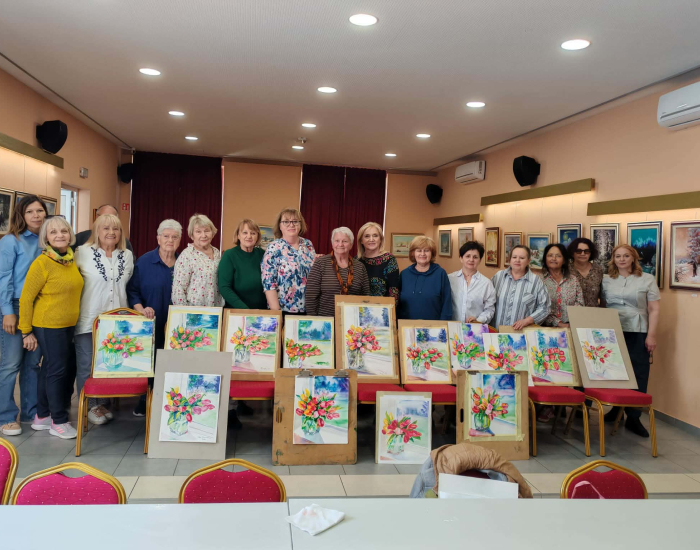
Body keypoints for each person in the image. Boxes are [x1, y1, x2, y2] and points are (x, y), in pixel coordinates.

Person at [19, 217, 83, 439]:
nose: (59, 235)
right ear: (45, 237)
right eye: (53, 232)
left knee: (49, 368)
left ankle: (42, 416)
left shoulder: (70, 259)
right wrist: (26, 331)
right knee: (57, 371)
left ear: (70, 234)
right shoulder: (42, 262)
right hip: (48, 324)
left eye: (63, 231)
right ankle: (59, 421)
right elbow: (26, 299)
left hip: (67, 324)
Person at [75, 214, 134, 425]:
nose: (111, 232)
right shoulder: (82, 252)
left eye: (115, 229)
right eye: (106, 228)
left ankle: (101, 404)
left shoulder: (127, 255)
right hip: (89, 318)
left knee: (108, 364)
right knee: (87, 364)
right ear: (97, 231)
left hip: (117, 322)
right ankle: (88, 406)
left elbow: (127, 286)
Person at [601, 244, 660, 438]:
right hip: (612, 330)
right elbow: (603, 305)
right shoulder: (606, 279)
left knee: (638, 373)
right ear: (613, 259)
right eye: (618, 256)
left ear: (633, 258)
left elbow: (654, 309)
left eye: (626, 256)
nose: (622, 259)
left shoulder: (647, 279)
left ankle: (634, 416)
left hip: (638, 330)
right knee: (615, 372)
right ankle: (616, 409)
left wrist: (651, 335)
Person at [0, 195, 47, 436]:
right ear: (21, 215)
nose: (36, 215)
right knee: (10, 364)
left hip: (42, 307)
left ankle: (31, 412)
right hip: (16, 307)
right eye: (30, 211)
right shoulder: (12, 240)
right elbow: (4, 278)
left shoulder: (48, 240)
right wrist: (7, 312)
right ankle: (6, 416)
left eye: (40, 210)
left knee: (33, 364)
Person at [127, 219, 182, 417]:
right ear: (158, 238)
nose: (170, 240)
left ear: (180, 240)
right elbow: (133, 291)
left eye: (175, 237)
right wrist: (141, 310)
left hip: (177, 325)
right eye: (166, 236)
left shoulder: (184, 262)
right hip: (151, 323)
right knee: (150, 361)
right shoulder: (144, 262)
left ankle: (173, 401)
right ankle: (145, 398)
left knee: (174, 363)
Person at [261, 208, 316, 314]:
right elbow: (268, 283)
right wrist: (276, 313)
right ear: (280, 226)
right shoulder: (273, 247)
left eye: (295, 221)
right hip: (284, 310)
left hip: (309, 309)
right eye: (286, 222)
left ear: (300, 224)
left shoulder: (308, 244)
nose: (291, 225)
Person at [306, 227, 370, 316]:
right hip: (325, 320)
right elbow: (311, 296)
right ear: (332, 243)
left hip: (351, 320)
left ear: (351, 244)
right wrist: (314, 319)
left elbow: (366, 296)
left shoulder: (360, 267)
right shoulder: (320, 263)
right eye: (337, 241)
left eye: (345, 241)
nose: (340, 244)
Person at [492, 245, 550, 329]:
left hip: (520, 333)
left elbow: (545, 308)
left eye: (522, 258)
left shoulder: (536, 282)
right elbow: (486, 300)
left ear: (528, 261)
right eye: (514, 257)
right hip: (496, 331)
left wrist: (527, 321)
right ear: (510, 259)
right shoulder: (498, 276)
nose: (517, 260)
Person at [172, 214, 224, 307]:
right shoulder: (187, 255)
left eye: (207, 231)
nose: (203, 235)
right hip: (194, 311)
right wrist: (185, 313)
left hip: (216, 309)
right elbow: (178, 290)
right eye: (198, 232)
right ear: (192, 235)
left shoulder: (216, 252)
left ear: (212, 233)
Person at [398, 236, 452, 320]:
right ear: (413, 253)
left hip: (434, 326)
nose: (422, 254)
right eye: (419, 250)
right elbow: (398, 303)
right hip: (406, 325)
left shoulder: (440, 274)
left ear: (432, 253)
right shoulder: (404, 274)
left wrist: (443, 325)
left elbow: (447, 304)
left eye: (426, 250)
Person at [218, 219, 267, 309]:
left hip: (261, 310)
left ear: (257, 236)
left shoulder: (263, 254)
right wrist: (245, 310)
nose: (249, 236)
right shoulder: (229, 255)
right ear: (238, 236)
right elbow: (224, 287)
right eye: (245, 233)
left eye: (253, 233)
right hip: (236, 311)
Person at [448, 241, 496, 325]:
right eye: (467, 256)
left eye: (475, 257)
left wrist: (478, 320)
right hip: (452, 327)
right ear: (461, 258)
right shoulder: (450, 279)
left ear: (480, 260)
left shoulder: (486, 284)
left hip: (474, 329)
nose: (471, 260)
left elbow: (489, 309)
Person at [540, 243, 584, 327]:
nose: (553, 259)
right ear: (545, 258)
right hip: (546, 328)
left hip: (571, 326)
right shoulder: (539, 280)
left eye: (558, 256)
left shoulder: (573, 280)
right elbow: (539, 308)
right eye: (550, 255)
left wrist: (571, 323)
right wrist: (558, 323)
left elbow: (580, 303)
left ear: (564, 260)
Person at [356, 222, 400, 304]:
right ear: (361, 240)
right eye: (367, 236)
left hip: (382, 308)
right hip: (358, 307)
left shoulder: (389, 259)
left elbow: (394, 291)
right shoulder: (356, 261)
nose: (371, 239)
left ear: (380, 239)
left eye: (375, 236)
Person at [567, 237, 604, 307]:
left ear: (591, 253)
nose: (583, 254)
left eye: (586, 251)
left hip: (594, 311)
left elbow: (602, 296)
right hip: (571, 312)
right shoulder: (566, 270)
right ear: (572, 253)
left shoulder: (598, 270)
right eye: (578, 251)